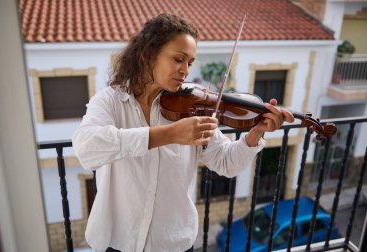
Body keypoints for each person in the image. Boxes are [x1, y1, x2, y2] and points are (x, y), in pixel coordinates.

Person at [72, 13, 294, 252]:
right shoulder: (110, 101)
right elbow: (86, 148)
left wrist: (254, 135)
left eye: (190, 62)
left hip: (173, 242)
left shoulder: (191, 107)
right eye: (179, 59)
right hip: (117, 241)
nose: (185, 70)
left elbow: (226, 162)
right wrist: (168, 134)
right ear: (148, 54)